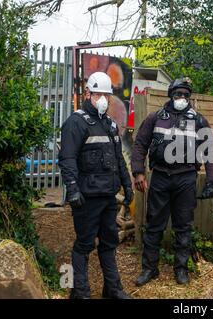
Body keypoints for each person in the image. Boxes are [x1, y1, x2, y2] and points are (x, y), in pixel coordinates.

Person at [131, 77, 213, 286]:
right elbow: (140, 145)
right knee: (154, 226)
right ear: (171, 94)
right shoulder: (155, 117)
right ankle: (149, 269)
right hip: (160, 176)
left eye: (186, 95)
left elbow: (210, 152)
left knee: (183, 227)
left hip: (186, 178)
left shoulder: (198, 120)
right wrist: (138, 173)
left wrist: (212, 181)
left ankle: (181, 270)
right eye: (178, 94)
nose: (182, 98)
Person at [58, 72, 134, 299]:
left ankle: (113, 289)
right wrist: (72, 188)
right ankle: (79, 292)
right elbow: (67, 159)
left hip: (108, 197)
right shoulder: (76, 123)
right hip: (86, 198)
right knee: (83, 244)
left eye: (106, 95)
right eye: (98, 93)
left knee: (109, 243)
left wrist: (127, 185)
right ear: (88, 93)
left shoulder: (111, 124)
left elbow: (118, 158)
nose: (103, 98)